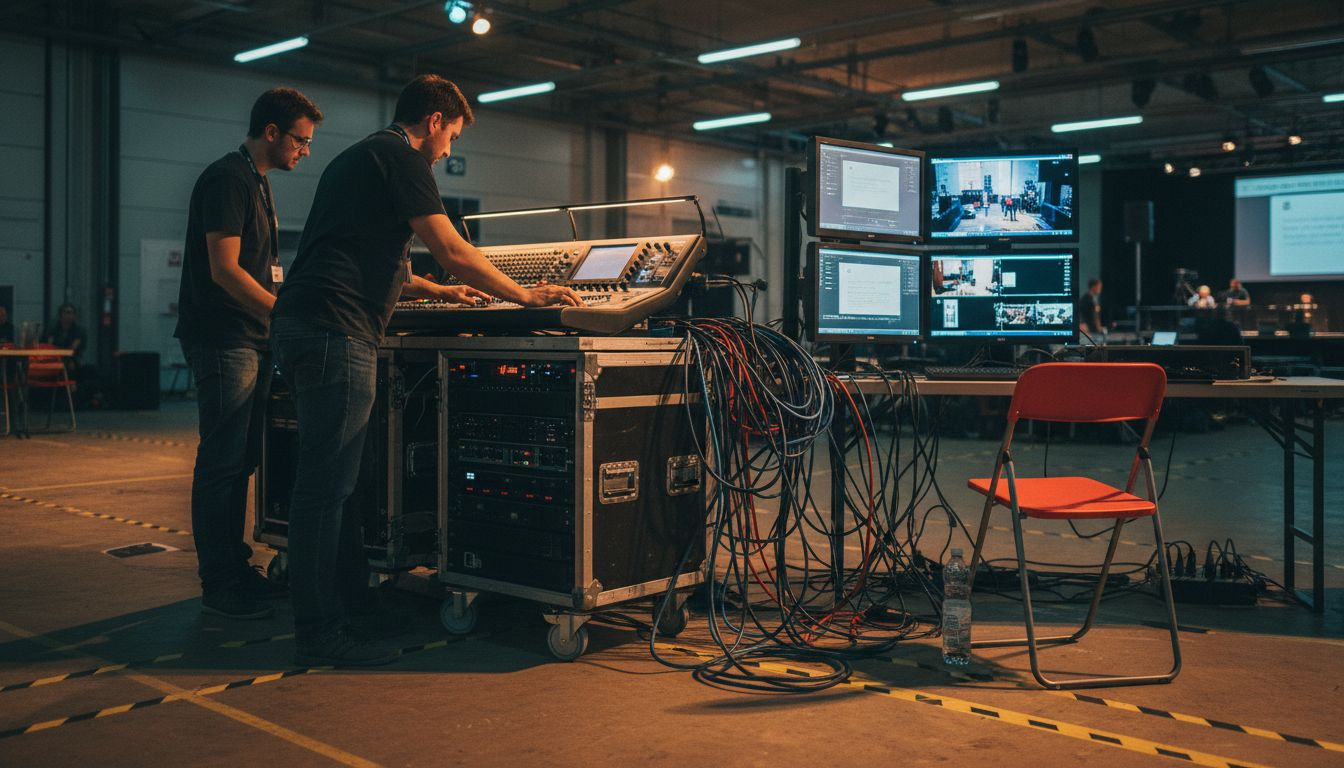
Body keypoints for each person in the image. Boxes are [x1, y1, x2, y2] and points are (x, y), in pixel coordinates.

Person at [270, 74, 582, 667]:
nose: (448, 150)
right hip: (335, 330)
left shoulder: (361, 156)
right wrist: (525, 296)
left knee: (346, 486)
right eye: (452, 137)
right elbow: (452, 249)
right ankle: (319, 631)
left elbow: (364, 251)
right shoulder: (405, 157)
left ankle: (354, 608)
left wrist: (435, 290)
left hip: (311, 323)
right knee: (325, 490)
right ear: (434, 121)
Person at [176, 87, 323, 620]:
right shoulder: (228, 179)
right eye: (300, 140)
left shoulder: (256, 182)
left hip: (251, 337)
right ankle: (219, 583)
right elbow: (224, 270)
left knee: (241, 461)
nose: (305, 151)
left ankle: (234, 569)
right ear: (271, 132)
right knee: (223, 462)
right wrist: (283, 312)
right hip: (225, 338)